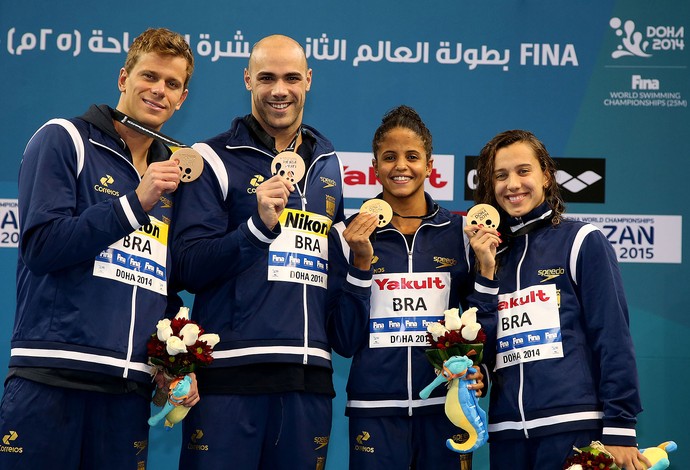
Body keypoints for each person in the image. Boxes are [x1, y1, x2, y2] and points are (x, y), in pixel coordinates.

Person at [0, 28, 198, 469]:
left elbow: (157, 279)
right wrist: (134, 203)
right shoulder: (64, 138)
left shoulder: (172, 176)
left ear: (182, 99)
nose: (158, 91)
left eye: (172, 84)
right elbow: (42, 246)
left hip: (127, 392)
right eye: (149, 76)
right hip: (53, 378)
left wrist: (173, 361)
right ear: (123, 77)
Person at [171, 34, 367, 469]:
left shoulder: (328, 164)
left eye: (292, 78)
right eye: (267, 78)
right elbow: (186, 266)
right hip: (231, 378)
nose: (280, 90)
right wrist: (256, 228)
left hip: (309, 380)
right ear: (247, 80)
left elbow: (329, 271)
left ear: (309, 81)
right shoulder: (211, 158)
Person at [327, 105, 497, 469]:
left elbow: (482, 324)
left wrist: (476, 367)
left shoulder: (461, 233)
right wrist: (360, 264)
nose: (400, 166)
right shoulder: (348, 235)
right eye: (389, 157)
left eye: (412, 156)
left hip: (446, 407)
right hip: (374, 410)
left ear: (430, 164)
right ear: (374, 167)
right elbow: (343, 341)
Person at [469, 129, 651, 470]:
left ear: (546, 177)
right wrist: (486, 275)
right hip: (506, 433)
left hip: (575, 427)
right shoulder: (489, 256)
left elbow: (612, 338)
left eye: (524, 171)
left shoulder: (582, 240)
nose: (513, 184)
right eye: (501, 175)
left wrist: (621, 427)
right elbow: (483, 348)